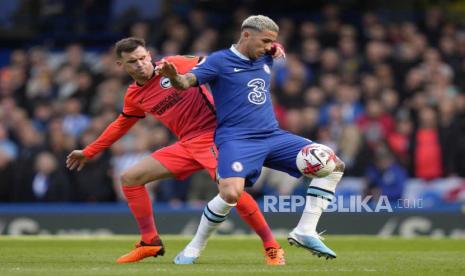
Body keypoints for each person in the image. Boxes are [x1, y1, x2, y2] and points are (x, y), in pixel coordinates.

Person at [66, 37, 286, 265]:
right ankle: (150, 242)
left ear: (149, 55)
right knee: (130, 178)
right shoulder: (134, 95)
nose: (140, 64)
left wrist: (267, 50)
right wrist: (90, 151)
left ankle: (272, 246)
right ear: (121, 65)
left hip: (216, 136)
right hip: (187, 144)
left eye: (142, 58)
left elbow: (222, 62)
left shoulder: (175, 64)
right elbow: (121, 124)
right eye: (132, 61)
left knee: (232, 192)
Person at [159, 15, 345, 264]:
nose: (270, 46)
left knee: (334, 166)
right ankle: (194, 247)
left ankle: (305, 230)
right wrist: (173, 77)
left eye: (273, 42)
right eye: (266, 40)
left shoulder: (266, 55)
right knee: (231, 193)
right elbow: (185, 82)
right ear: (246, 35)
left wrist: (275, 47)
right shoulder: (219, 61)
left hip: (273, 136)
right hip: (237, 139)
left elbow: (275, 48)